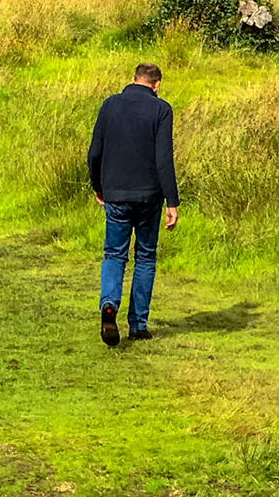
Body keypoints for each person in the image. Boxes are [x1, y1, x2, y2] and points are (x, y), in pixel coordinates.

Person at [86, 62, 179, 346]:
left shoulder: (110, 105)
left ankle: (109, 304)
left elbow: (95, 152)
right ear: (157, 84)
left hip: (115, 193)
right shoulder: (161, 109)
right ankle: (138, 324)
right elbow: (163, 158)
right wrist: (171, 201)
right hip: (149, 195)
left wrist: (98, 186)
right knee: (146, 257)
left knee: (114, 254)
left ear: (132, 79)